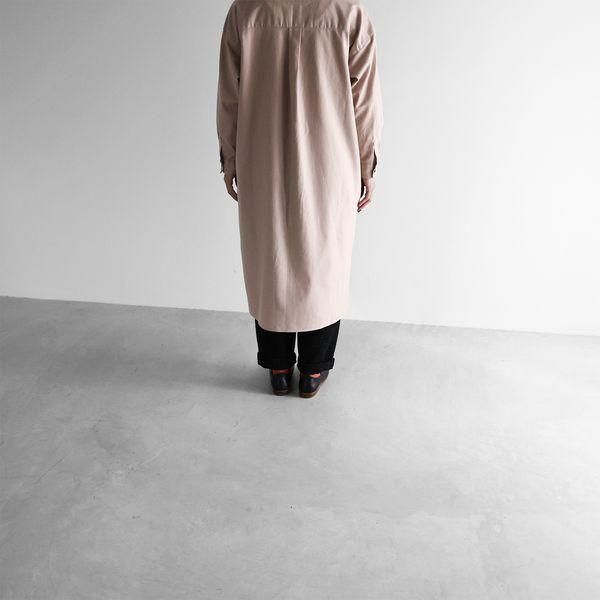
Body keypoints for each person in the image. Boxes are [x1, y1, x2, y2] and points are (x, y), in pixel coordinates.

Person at [216, 0, 383, 397]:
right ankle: (313, 369)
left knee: (268, 257)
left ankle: (277, 366)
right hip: (330, 159)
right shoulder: (348, 12)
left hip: (262, 156)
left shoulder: (246, 10)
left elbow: (229, 95)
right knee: (324, 259)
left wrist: (230, 157)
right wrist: (368, 163)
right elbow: (364, 101)